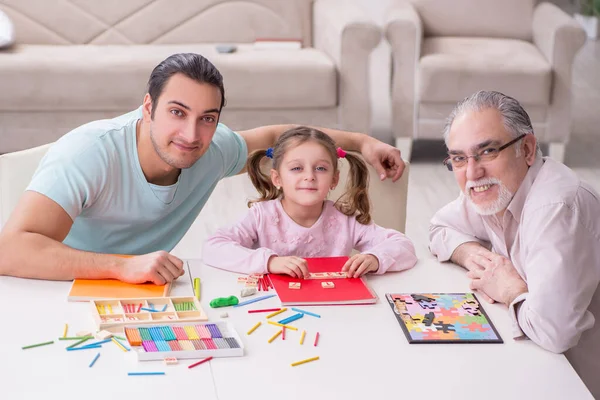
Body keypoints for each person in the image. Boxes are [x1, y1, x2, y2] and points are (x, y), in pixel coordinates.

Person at [0, 53, 406, 285]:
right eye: (177, 112)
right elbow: (10, 249)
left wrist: (361, 142)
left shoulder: (211, 148)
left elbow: (277, 134)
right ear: (148, 107)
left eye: (207, 118)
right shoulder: (89, 153)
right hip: (49, 289)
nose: (191, 135)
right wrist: (120, 265)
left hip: (141, 292)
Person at [429, 90, 600, 397]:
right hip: (535, 365)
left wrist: (508, 289)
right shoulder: (494, 191)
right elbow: (440, 228)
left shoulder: (555, 207)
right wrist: (477, 257)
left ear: (528, 149)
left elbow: (554, 331)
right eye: (458, 158)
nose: (472, 172)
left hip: (576, 382)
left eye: (488, 151)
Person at [202, 126, 417, 278]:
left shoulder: (345, 220)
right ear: (277, 179)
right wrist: (269, 262)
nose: (310, 176)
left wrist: (375, 258)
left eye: (321, 168)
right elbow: (213, 247)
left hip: (335, 310)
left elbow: (405, 247)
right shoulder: (262, 216)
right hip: (273, 310)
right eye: (297, 168)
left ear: (334, 180)